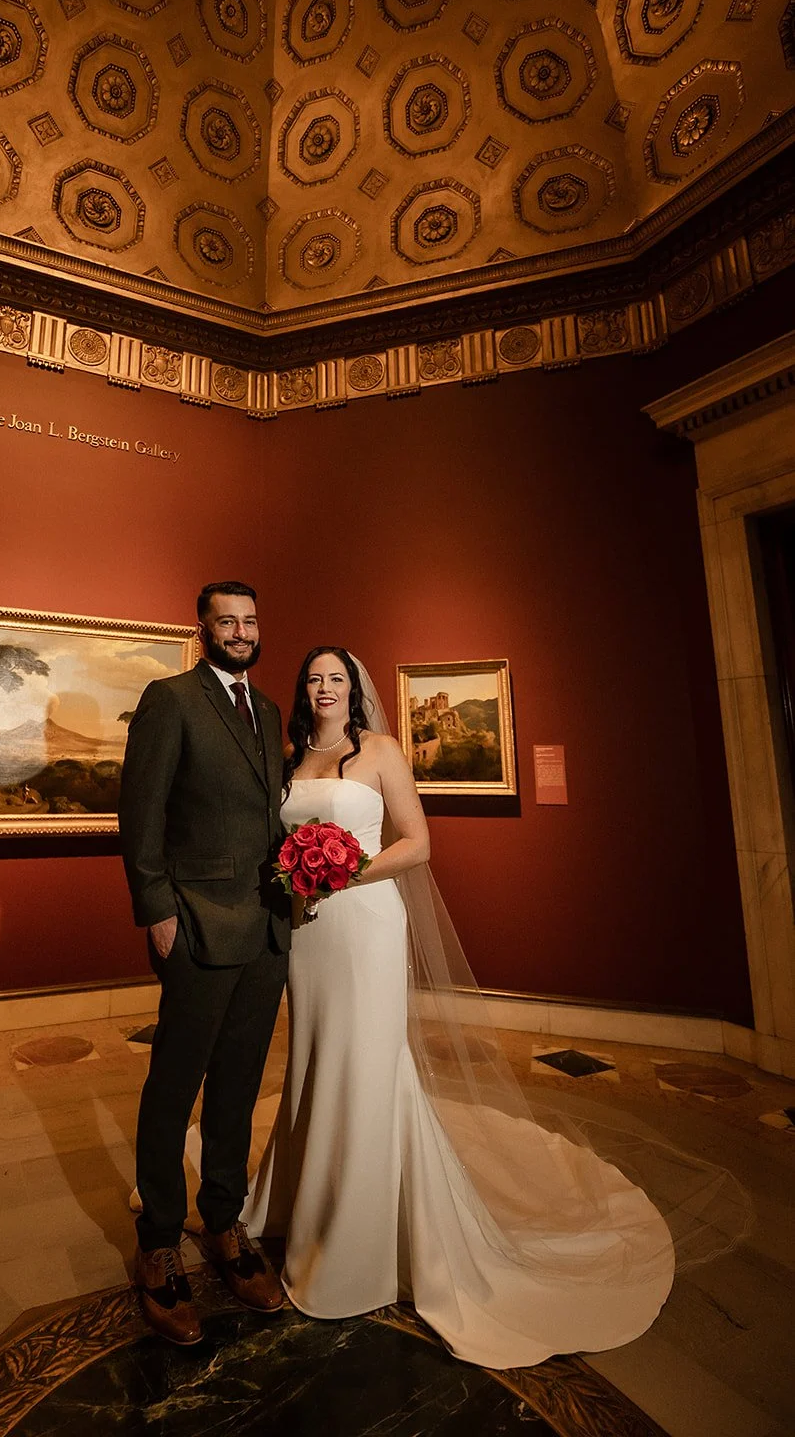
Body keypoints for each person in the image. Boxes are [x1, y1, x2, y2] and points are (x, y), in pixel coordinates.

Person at [244, 648, 748, 1369]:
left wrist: (349, 868)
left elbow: (419, 844)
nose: (325, 688)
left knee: (368, 1068)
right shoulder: (293, 757)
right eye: (315, 679)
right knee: (315, 1059)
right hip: (308, 931)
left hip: (365, 922)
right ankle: (301, 1199)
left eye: (337, 679)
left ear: (354, 690)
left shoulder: (381, 750)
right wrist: (297, 870)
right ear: (304, 690)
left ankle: (360, 1240)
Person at [119, 581, 289, 1344]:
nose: (241, 631)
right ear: (203, 628)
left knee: (239, 1084)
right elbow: (140, 812)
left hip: (268, 929)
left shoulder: (270, 711)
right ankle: (158, 1241)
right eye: (227, 620)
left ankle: (222, 1222)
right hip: (194, 923)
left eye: (249, 620)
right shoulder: (170, 699)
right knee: (174, 1086)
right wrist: (156, 910)